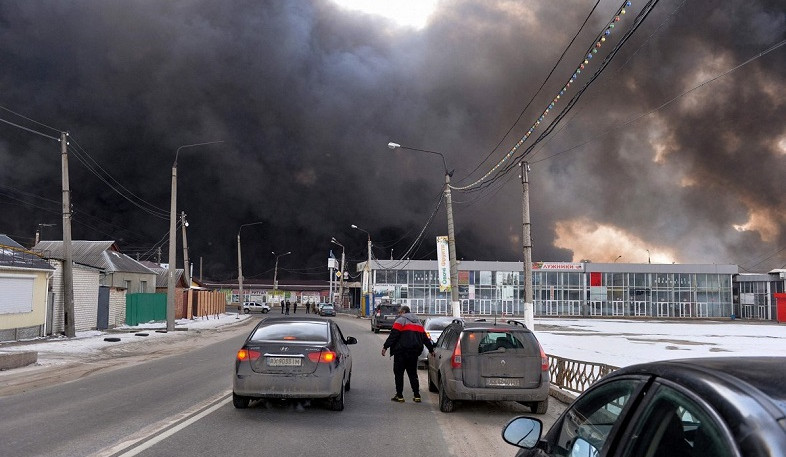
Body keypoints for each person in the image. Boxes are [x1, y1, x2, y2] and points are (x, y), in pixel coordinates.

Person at [381, 305, 434, 403]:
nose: (399, 314)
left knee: (399, 374)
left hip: (400, 352)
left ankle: (400, 396)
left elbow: (393, 335)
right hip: (414, 353)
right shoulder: (418, 323)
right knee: (413, 374)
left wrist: (385, 347)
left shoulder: (400, 321)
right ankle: (417, 395)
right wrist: (431, 350)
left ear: (404, 312)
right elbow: (425, 338)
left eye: (400, 312)